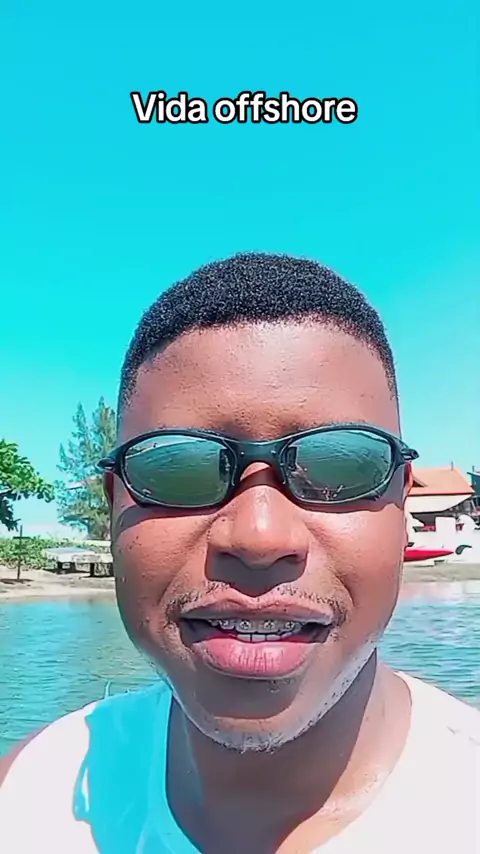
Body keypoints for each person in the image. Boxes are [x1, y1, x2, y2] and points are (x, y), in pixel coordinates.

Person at [1, 253, 478, 853]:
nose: (259, 537)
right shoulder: (27, 800)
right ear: (115, 503)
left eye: (340, 467)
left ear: (401, 504)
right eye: (177, 469)